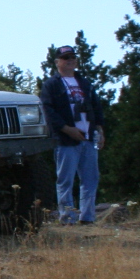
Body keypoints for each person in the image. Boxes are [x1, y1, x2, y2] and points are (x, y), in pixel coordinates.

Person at [39, 45, 106, 224]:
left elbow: (96, 106)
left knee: (90, 179)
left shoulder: (85, 83)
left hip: (88, 137)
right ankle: (67, 217)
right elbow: (48, 111)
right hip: (66, 141)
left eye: (73, 57)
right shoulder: (51, 84)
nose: (70, 61)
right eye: (66, 57)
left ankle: (88, 217)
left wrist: (99, 129)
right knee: (65, 180)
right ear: (57, 62)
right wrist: (67, 129)